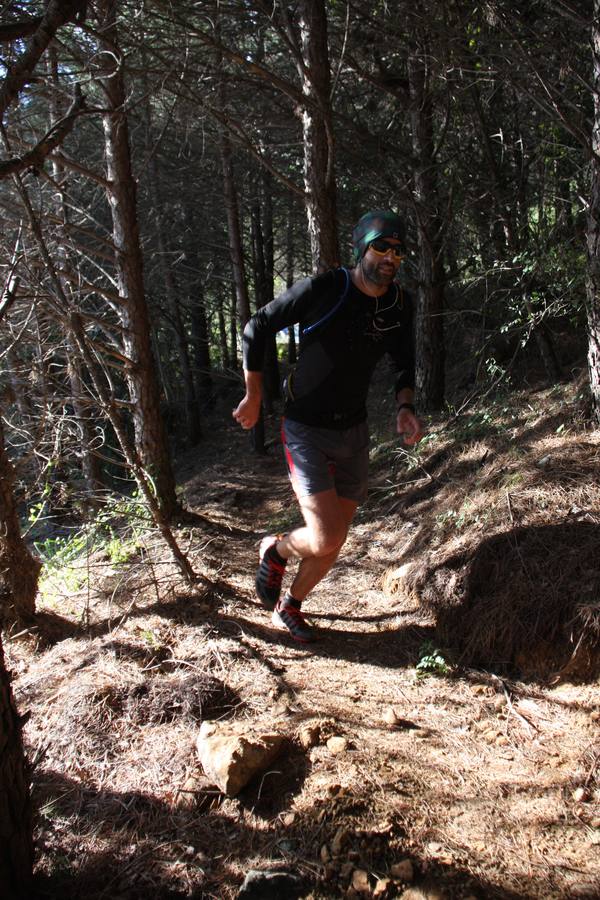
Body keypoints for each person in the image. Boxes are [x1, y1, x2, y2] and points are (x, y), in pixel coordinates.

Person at [232, 210, 424, 643]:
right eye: (381, 246)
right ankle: (275, 548)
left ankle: (291, 604)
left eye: (398, 251)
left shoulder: (399, 304)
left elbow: (404, 361)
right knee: (325, 534)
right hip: (305, 427)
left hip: (354, 431)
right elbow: (258, 325)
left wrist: (404, 406)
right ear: (361, 248)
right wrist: (255, 393)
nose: (390, 257)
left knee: (333, 539)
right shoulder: (326, 288)